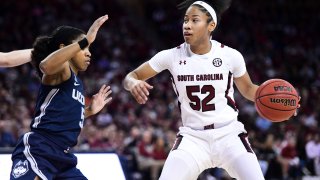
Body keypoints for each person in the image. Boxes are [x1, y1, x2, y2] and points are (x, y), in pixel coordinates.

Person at [123, 0, 273, 179]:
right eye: (185, 20)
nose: (187, 25)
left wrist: (277, 99)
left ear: (211, 25)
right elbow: (131, 76)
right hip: (193, 138)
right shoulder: (170, 56)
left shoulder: (230, 55)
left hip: (229, 135)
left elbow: (248, 89)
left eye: (195, 20)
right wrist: (132, 83)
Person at [10, 15, 111, 180]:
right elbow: (46, 65)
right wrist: (85, 40)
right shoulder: (63, 71)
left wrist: (90, 111)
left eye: (89, 48)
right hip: (41, 148)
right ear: (63, 48)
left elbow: (64, 114)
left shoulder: (78, 83)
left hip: (63, 158)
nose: (88, 54)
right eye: (84, 48)